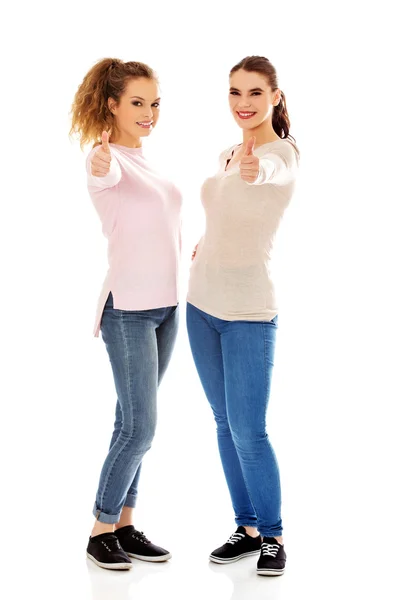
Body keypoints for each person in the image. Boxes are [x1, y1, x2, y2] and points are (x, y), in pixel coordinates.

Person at [186, 56, 299, 577]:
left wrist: (259, 169)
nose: (243, 103)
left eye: (255, 93)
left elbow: (270, 174)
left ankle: (273, 536)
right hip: (201, 304)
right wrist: (208, 242)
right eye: (235, 92)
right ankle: (247, 527)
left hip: (250, 312)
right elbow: (230, 211)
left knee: (250, 429)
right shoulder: (229, 152)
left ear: (275, 96)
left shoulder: (281, 154)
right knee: (223, 424)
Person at [70, 58, 182, 570]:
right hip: (129, 312)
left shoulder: (150, 162)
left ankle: (126, 524)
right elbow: (105, 172)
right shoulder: (106, 160)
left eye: (154, 103)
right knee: (141, 428)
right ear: (111, 105)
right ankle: (100, 530)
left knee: (129, 421)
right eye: (137, 103)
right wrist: (101, 161)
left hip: (166, 308)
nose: (149, 112)